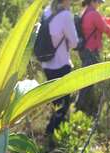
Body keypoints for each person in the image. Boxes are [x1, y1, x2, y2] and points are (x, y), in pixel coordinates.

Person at [75, 0, 110, 116]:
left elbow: (102, 20)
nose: (99, 4)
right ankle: (79, 107)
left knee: (87, 78)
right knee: (88, 80)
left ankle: (80, 105)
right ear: (93, 2)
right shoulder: (93, 14)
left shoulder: (87, 11)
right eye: (98, 2)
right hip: (91, 51)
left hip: (85, 50)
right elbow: (104, 27)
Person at [41, 0, 78, 135]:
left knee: (55, 99)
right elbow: (74, 42)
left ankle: (52, 128)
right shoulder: (66, 15)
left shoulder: (47, 11)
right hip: (61, 64)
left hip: (46, 63)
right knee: (64, 103)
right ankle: (51, 132)